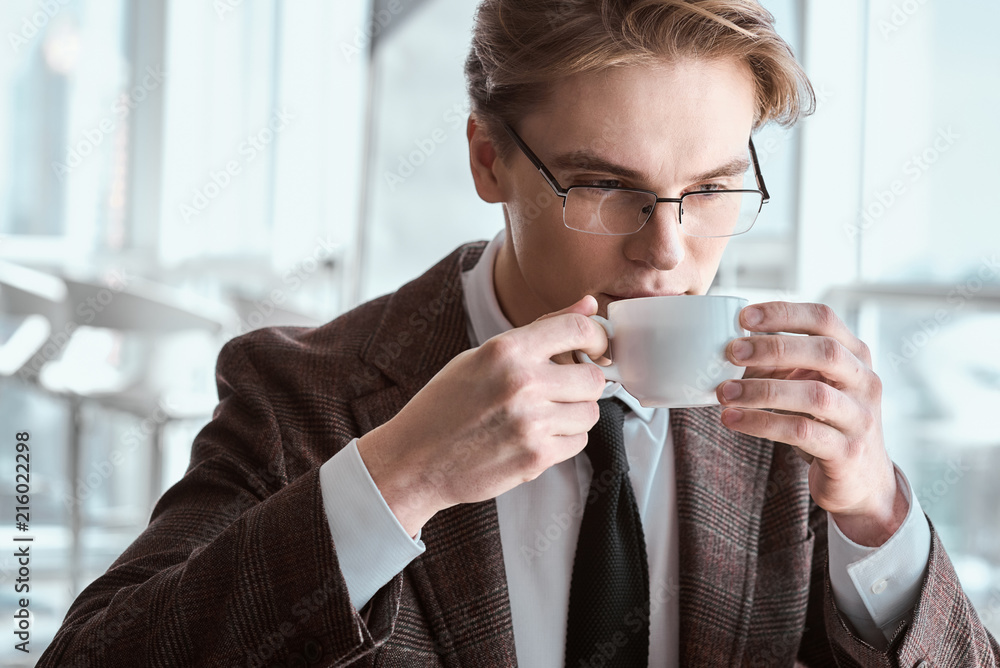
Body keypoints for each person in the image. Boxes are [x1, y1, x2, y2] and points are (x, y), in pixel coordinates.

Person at [39, 1, 999, 666]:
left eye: (709, 191)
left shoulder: (795, 429)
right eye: (604, 187)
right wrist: (401, 476)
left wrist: (879, 518)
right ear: (487, 158)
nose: (667, 252)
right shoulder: (305, 395)